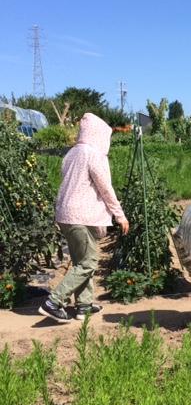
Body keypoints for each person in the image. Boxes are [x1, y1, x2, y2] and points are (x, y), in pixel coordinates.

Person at [39, 113, 129, 323]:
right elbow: (105, 188)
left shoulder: (72, 153)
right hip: (82, 215)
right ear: (99, 135)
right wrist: (120, 215)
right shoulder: (93, 155)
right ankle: (54, 301)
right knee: (88, 262)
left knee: (81, 260)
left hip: (65, 214)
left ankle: (84, 305)